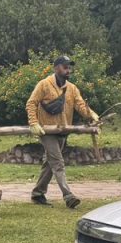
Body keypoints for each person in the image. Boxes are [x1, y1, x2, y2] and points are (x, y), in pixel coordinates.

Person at [26, 55, 100, 209]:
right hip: (46, 132)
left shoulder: (72, 88)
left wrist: (91, 114)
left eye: (69, 67)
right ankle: (68, 196)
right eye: (65, 66)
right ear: (56, 68)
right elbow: (31, 103)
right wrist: (33, 123)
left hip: (63, 130)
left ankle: (38, 193)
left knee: (50, 163)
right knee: (58, 163)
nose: (68, 70)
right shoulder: (44, 85)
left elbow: (80, 105)